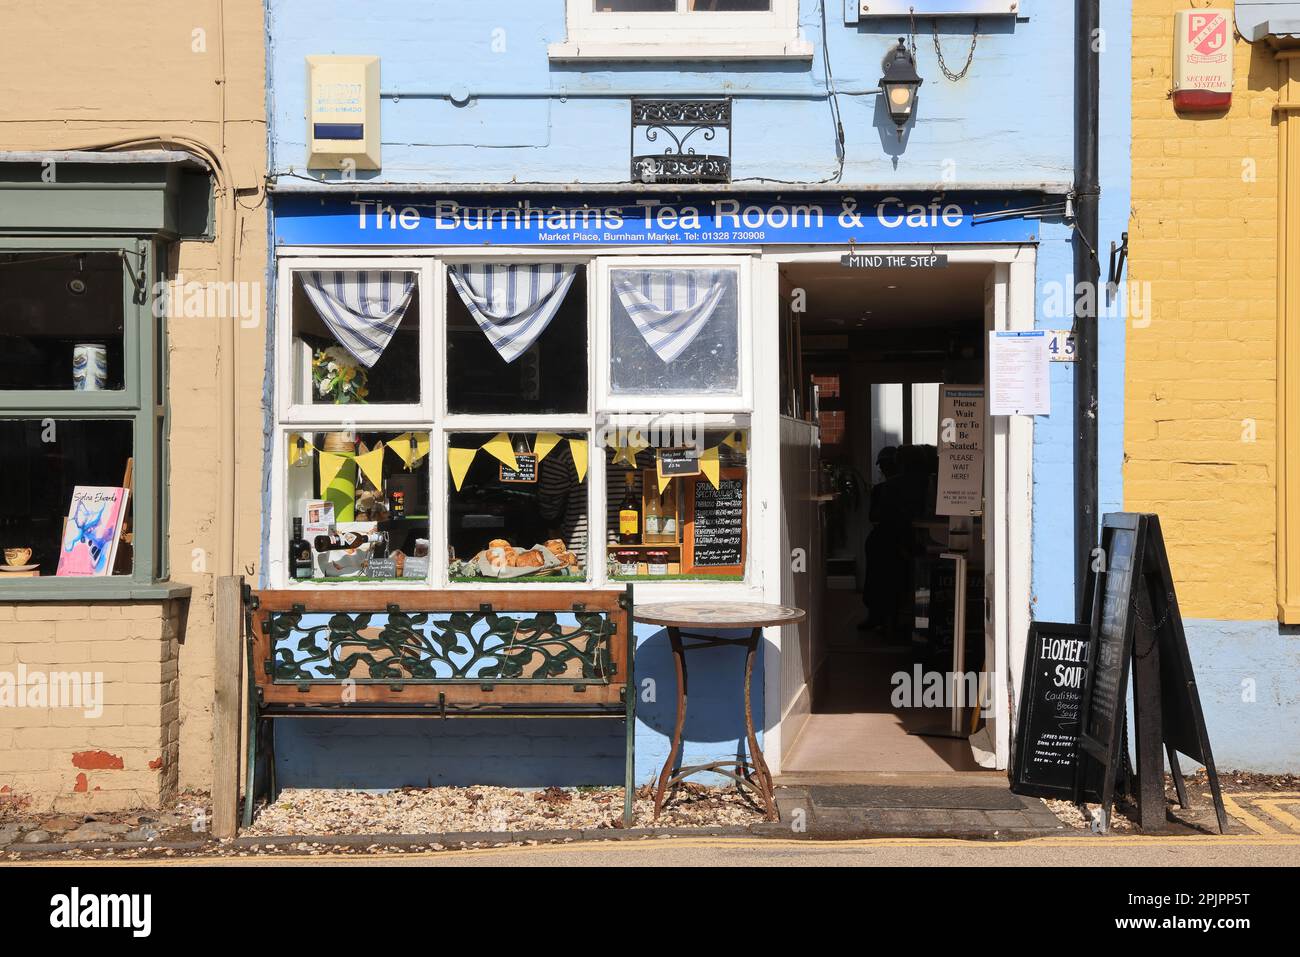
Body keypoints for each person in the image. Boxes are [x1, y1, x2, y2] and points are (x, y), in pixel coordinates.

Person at [861, 446, 912, 637]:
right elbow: (873, 516)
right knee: (880, 581)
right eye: (883, 465)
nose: (884, 469)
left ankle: (884, 619)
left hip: (889, 539)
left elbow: (875, 516)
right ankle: (879, 618)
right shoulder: (884, 489)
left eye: (886, 464)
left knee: (886, 581)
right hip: (887, 540)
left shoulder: (889, 488)